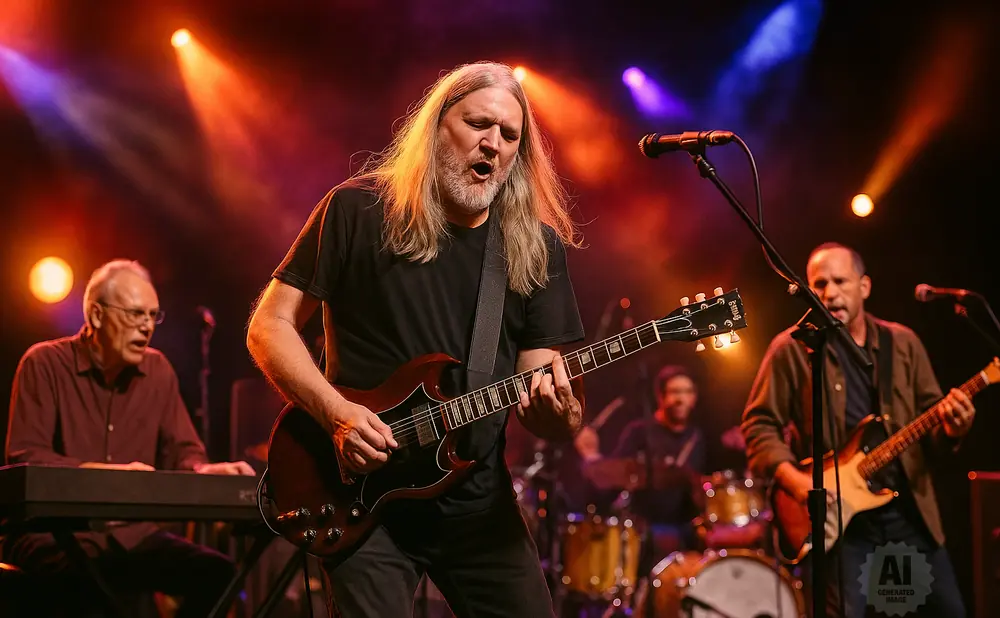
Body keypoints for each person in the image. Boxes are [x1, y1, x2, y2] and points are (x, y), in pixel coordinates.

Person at [246, 61, 586, 618]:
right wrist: (337, 415)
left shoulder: (533, 247)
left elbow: (541, 394)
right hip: (363, 496)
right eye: (479, 124)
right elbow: (269, 327)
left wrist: (561, 411)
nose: (494, 145)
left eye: (509, 136)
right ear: (436, 127)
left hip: (477, 503)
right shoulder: (357, 211)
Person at [3, 259, 256, 618]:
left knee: (219, 574)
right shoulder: (43, 363)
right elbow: (26, 458)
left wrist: (204, 471)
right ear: (96, 314)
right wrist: (107, 477)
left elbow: (184, 453)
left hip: (131, 538)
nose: (147, 327)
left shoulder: (158, 371)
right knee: (89, 583)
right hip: (52, 537)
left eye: (153, 316)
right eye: (136, 314)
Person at [741, 242, 974, 617]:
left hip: (909, 514)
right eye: (819, 284)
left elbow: (933, 424)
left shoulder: (903, 343)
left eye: (839, 281)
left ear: (863, 287)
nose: (829, 293)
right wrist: (798, 483)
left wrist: (953, 429)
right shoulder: (791, 348)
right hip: (842, 529)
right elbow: (758, 424)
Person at [605, 365, 707, 558]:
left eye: (687, 392)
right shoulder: (639, 432)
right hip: (642, 531)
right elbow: (613, 473)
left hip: (683, 532)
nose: (681, 399)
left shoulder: (696, 436)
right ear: (660, 396)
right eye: (675, 392)